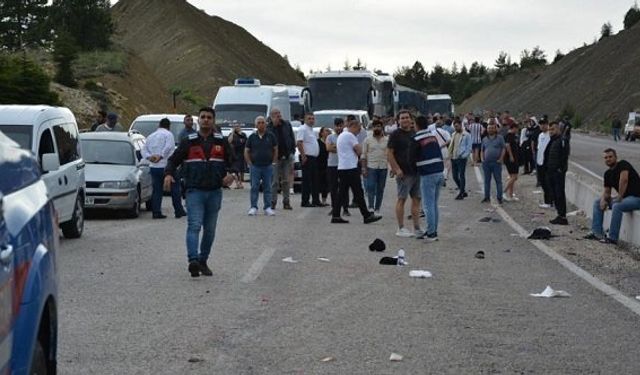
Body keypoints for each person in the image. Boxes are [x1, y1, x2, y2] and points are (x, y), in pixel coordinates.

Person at [164, 107, 236, 278]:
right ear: (198, 120)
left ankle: (203, 260)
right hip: (194, 191)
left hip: (214, 191)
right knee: (194, 225)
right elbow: (173, 160)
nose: (205, 120)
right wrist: (168, 174)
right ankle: (193, 260)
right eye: (202, 117)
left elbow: (234, 160)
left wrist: (232, 174)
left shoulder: (221, 141)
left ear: (213, 121)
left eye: (209, 117)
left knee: (210, 230)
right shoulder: (189, 141)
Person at [330, 120, 382, 224]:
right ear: (352, 126)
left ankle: (336, 215)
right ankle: (366, 215)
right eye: (358, 129)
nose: (358, 132)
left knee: (342, 193)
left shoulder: (342, 135)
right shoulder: (350, 136)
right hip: (350, 168)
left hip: (343, 167)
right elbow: (359, 150)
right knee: (358, 192)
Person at [585, 149, 640, 244]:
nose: (608, 159)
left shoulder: (623, 164)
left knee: (617, 206)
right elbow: (607, 192)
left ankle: (612, 238)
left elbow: (624, 180)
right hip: (625, 198)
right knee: (598, 202)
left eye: (610, 157)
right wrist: (603, 200)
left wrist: (619, 197)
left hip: (636, 198)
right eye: (606, 158)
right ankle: (597, 232)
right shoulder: (608, 174)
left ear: (616, 157)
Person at [142, 118, 187, 219]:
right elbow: (169, 147)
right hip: (167, 167)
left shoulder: (150, 136)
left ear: (159, 125)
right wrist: (161, 156)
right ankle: (178, 210)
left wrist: (149, 157)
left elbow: (144, 149)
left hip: (154, 167)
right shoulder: (168, 135)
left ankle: (156, 212)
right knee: (175, 189)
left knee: (157, 190)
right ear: (169, 126)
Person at [388, 110, 421, 237]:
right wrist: (396, 168)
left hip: (416, 171)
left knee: (417, 199)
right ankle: (401, 228)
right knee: (402, 199)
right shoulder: (395, 135)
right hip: (403, 172)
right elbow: (390, 153)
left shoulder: (415, 133)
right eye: (402, 118)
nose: (405, 120)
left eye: (407, 117)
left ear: (411, 119)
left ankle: (416, 227)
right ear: (398, 120)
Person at [413, 116, 445, 241]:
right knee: (434, 204)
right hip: (438, 172)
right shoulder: (433, 137)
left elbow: (412, 157)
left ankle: (431, 233)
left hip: (427, 174)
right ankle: (433, 230)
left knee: (427, 205)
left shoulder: (416, 139)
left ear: (416, 125)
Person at [245, 116, 278, 216]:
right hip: (255, 166)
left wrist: (273, 162)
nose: (261, 124)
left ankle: (267, 207)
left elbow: (275, 149)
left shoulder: (271, 136)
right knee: (254, 187)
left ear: (266, 124)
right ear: (256, 125)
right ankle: (253, 207)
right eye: (259, 122)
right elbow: (246, 150)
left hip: (268, 166)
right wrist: (249, 163)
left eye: (263, 122)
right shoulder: (252, 137)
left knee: (267, 187)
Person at [267, 108, 296, 210]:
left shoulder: (286, 124)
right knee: (274, 181)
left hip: (287, 157)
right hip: (275, 158)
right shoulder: (269, 127)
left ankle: (286, 202)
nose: (278, 116)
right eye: (275, 114)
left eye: (279, 113)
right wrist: (274, 125)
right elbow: (268, 140)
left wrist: (292, 151)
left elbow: (291, 137)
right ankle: (272, 202)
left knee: (286, 181)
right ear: (271, 116)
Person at [545, 121, 570, 225]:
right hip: (551, 171)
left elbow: (565, 155)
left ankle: (562, 216)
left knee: (559, 194)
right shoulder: (552, 141)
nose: (551, 131)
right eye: (550, 129)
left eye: (553, 129)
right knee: (554, 194)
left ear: (559, 129)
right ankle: (559, 214)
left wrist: (561, 169)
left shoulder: (562, 140)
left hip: (558, 172)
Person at [362, 120, 388, 214]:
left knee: (380, 188)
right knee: (370, 187)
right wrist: (364, 168)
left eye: (379, 126)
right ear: (372, 128)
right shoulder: (367, 140)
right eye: (375, 126)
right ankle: (371, 207)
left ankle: (377, 209)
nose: (377, 128)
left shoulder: (387, 140)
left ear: (382, 128)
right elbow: (363, 155)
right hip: (371, 167)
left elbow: (390, 155)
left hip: (383, 167)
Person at [297, 113, 322, 207]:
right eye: (309, 118)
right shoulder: (303, 129)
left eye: (312, 118)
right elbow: (299, 142)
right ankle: (305, 201)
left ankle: (316, 200)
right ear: (305, 119)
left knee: (315, 179)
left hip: (314, 158)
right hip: (307, 157)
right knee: (307, 180)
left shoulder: (311, 130)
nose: (311, 120)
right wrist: (303, 155)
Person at [326, 118, 350, 217]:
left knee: (344, 187)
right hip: (332, 165)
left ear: (343, 126)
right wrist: (339, 148)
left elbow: (347, 149)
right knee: (333, 187)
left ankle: (345, 208)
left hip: (344, 165)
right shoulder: (330, 137)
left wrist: (335, 147)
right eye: (337, 125)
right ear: (334, 126)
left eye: (341, 125)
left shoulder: (346, 137)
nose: (339, 128)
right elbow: (328, 148)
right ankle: (334, 207)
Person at [481, 121, 506, 204]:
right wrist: (482, 158)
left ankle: (499, 198)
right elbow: (482, 150)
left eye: (492, 128)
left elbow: (503, 148)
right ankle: (486, 197)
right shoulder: (484, 139)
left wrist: (501, 158)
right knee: (487, 181)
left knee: (498, 181)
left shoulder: (500, 138)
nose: (490, 129)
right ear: (487, 129)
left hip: (496, 163)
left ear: (495, 129)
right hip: (486, 163)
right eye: (489, 128)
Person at [448, 118, 472, 200]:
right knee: (454, 176)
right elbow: (452, 145)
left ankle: (461, 193)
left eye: (457, 126)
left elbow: (469, 147)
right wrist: (450, 154)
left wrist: (464, 155)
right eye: (455, 126)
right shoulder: (454, 134)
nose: (456, 128)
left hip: (461, 158)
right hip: (453, 158)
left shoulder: (466, 135)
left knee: (461, 175)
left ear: (461, 125)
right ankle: (463, 191)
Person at [535, 119, 554, 208]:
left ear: (547, 125)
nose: (542, 126)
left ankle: (549, 202)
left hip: (547, 163)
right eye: (541, 124)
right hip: (540, 162)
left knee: (548, 183)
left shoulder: (550, 135)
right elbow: (539, 148)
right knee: (542, 182)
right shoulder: (540, 135)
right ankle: (548, 201)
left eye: (544, 124)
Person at [503, 124, 520, 201]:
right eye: (517, 129)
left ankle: (511, 194)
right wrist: (511, 156)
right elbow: (507, 145)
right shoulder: (509, 136)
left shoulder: (512, 136)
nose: (517, 131)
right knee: (514, 176)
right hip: (511, 158)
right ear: (514, 128)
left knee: (512, 176)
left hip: (513, 157)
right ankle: (504, 191)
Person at [228, 122, 247, 189]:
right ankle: (237, 184)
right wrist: (233, 132)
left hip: (241, 153)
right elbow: (229, 141)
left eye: (237, 126)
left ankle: (240, 183)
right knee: (235, 170)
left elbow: (244, 142)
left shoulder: (243, 134)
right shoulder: (232, 134)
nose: (236, 127)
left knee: (241, 170)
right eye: (235, 126)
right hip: (234, 154)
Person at [317, 127, 331, 205]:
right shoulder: (318, 142)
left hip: (328, 165)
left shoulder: (330, 142)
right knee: (319, 183)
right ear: (321, 133)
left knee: (326, 183)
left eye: (328, 131)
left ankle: (324, 200)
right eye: (326, 131)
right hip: (319, 165)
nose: (328, 132)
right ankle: (316, 199)